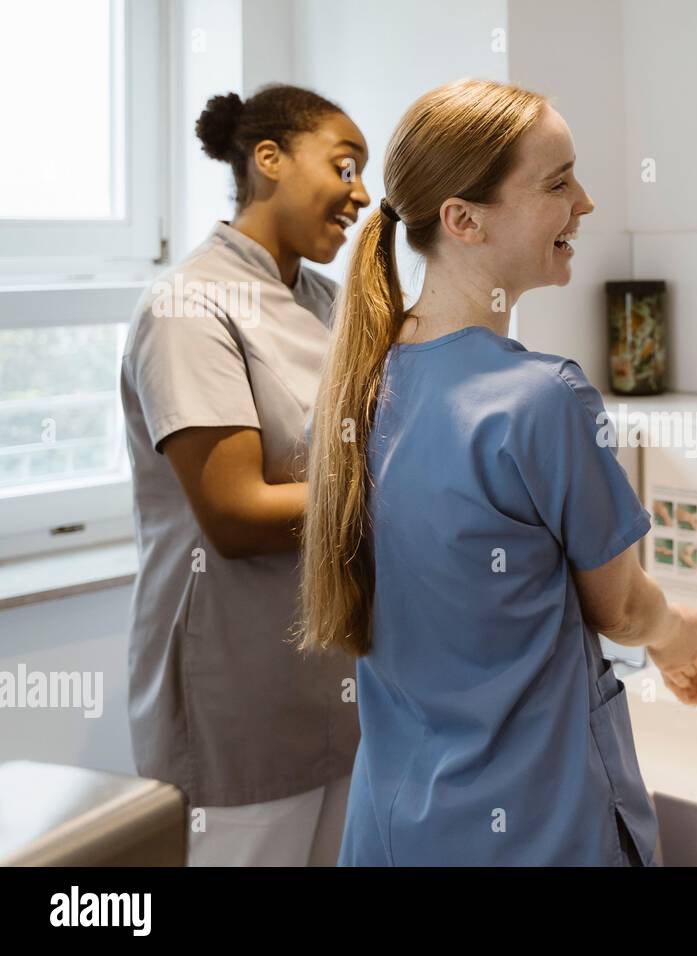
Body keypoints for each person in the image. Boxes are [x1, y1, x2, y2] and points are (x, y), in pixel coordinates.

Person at [297, 78, 697, 867]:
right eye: (558, 182)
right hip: (536, 833)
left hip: (395, 832)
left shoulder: (355, 389)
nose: (587, 202)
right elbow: (625, 608)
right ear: (463, 220)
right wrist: (679, 637)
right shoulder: (542, 399)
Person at [120, 84, 371, 865]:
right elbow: (234, 517)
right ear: (268, 159)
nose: (362, 193)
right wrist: (406, 500)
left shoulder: (332, 305)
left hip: (336, 682)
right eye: (345, 165)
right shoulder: (189, 308)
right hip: (239, 694)